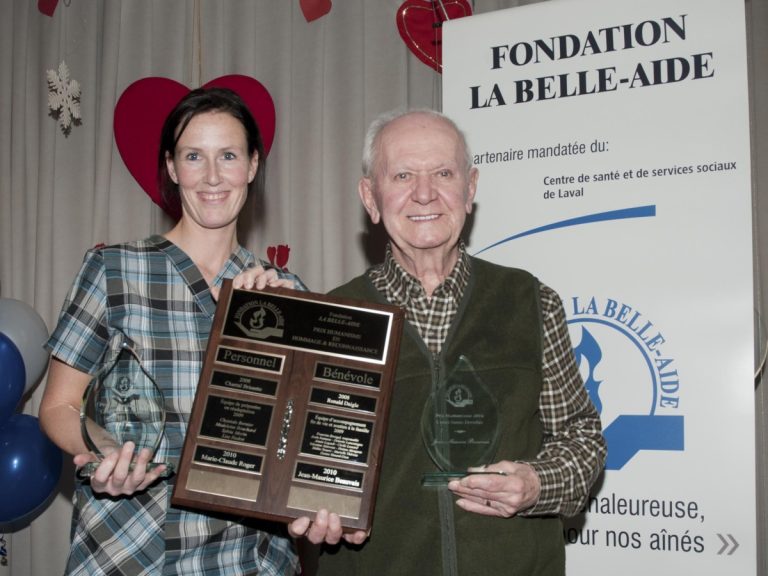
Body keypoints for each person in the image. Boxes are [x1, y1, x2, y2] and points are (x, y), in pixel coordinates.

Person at [293, 109, 607, 575]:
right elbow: (299, 465)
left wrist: (539, 483)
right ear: (371, 197)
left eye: (443, 172)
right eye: (402, 175)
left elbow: (581, 437)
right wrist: (308, 509)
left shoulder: (531, 301)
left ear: (470, 188)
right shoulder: (333, 317)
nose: (424, 193)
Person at [39, 87, 307, 575]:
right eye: (193, 156)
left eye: (228, 155)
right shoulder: (113, 270)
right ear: (171, 167)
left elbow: (301, 436)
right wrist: (107, 452)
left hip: (248, 558)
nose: (211, 176)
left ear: (252, 165)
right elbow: (58, 406)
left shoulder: (282, 292)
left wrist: (275, 314)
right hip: (131, 547)